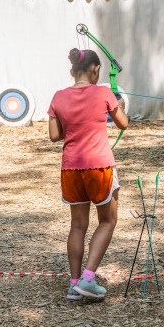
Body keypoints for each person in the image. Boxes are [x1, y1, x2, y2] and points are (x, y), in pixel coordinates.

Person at [48, 48, 129, 300]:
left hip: (71, 168)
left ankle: (74, 284)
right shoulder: (104, 93)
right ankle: (88, 279)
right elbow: (123, 123)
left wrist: (75, 123)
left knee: (77, 226)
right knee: (107, 221)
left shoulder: (58, 96)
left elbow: (54, 135)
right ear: (96, 69)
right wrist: (120, 106)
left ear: (72, 70)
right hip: (99, 167)